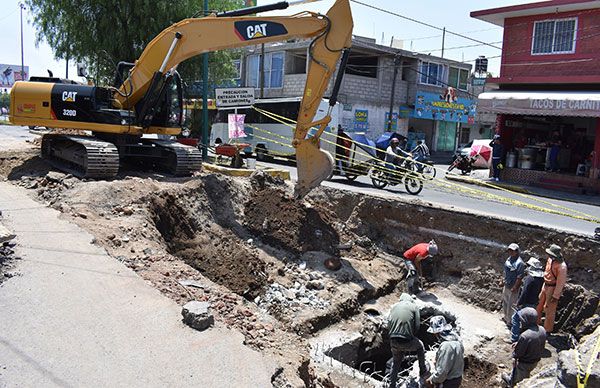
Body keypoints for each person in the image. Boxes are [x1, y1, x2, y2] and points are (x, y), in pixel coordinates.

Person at [387, 293, 428, 388]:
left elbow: (389, 323)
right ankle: (423, 370)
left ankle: (391, 385)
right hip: (406, 340)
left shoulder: (394, 307)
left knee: (396, 362)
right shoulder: (414, 306)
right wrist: (411, 335)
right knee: (420, 346)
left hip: (393, 340)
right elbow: (417, 325)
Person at [502, 307, 546, 387]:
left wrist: (514, 357)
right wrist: (519, 343)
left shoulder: (525, 336)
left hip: (525, 363)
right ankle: (513, 378)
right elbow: (536, 343)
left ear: (525, 320)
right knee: (524, 373)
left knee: (521, 379)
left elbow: (518, 353)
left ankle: (512, 382)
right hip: (535, 360)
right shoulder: (542, 330)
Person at [510, 257, 545, 343]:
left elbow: (524, 292)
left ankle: (514, 338)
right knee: (529, 322)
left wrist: (519, 303)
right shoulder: (541, 278)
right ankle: (528, 340)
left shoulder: (530, 278)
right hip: (534, 303)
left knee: (515, 318)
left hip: (526, 303)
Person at [536, 244, 567, 333]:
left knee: (549, 309)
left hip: (552, 288)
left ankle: (547, 330)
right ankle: (535, 323)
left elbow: (560, 283)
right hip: (545, 285)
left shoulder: (562, 267)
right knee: (539, 304)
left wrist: (555, 295)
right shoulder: (550, 260)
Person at [426, 316, 464, 388]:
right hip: (457, 378)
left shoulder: (446, 346)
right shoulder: (457, 340)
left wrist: (432, 380)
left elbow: (442, 372)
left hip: (449, 382)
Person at [501, 243, 526, 325]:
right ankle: (505, 317)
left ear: (517, 251)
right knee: (505, 301)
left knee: (511, 305)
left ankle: (510, 321)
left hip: (513, 287)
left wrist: (515, 287)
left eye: (512, 251)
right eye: (509, 250)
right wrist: (502, 280)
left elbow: (519, 277)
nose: (510, 252)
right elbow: (505, 271)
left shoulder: (520, 263)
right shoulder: (509, 259)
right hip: (507, 284)